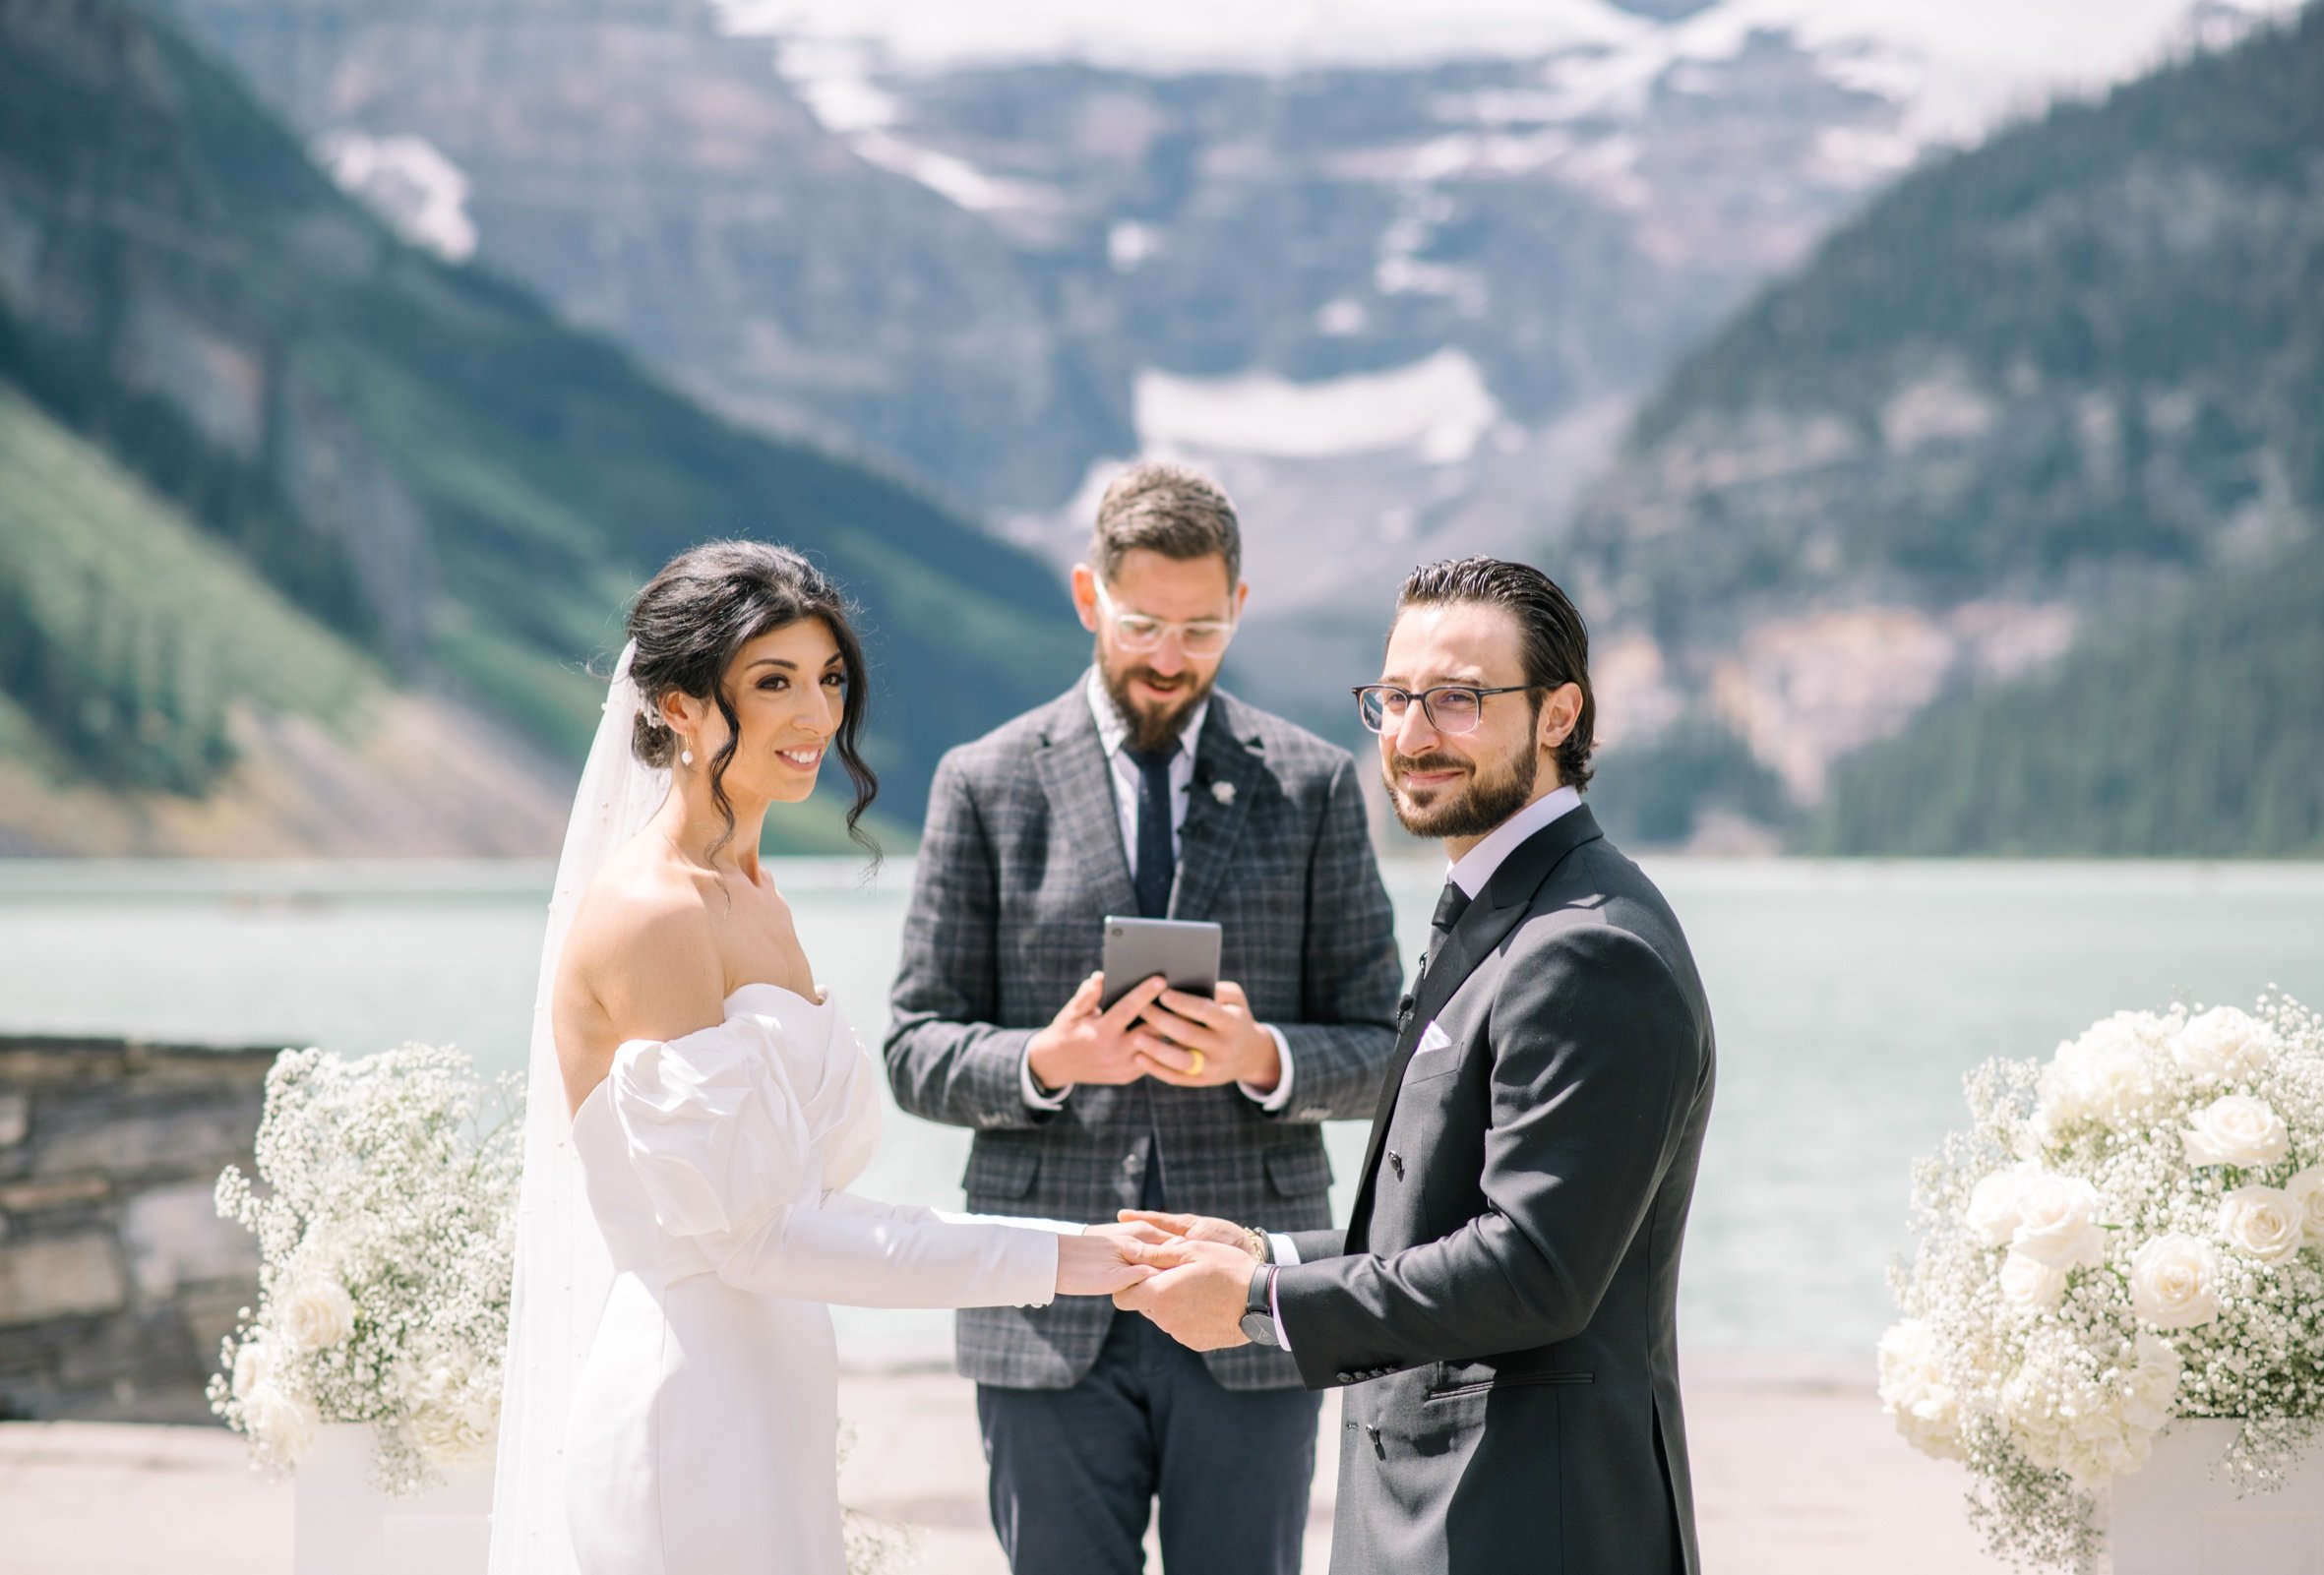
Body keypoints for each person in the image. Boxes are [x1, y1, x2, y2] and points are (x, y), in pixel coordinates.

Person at [487, 541, 1151, 1575]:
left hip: (776, 1399)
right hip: (689, 1411)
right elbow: (754, 1238)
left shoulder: (753, 892)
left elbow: (809, 1194)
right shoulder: (656, 913)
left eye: (829, 678)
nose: (817, 716)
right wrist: (1062, 1256)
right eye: (773, 682)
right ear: (677, 704)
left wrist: (1072, 1245)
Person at [1115, 557, 1718, 1575]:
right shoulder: (1509, 908)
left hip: (1529, 1521)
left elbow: (1533, 1269)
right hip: (1449, 1508)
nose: (1409, 733)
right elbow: (1435, 1219)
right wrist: (1269, 1250)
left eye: (1457, 699)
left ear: (1559, 714)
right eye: (1392, 697)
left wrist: (1259, 1300)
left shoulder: (1588, 943)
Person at [884, 463, 1401, 1575]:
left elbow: (1386, 1051)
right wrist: (1046, 1060)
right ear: (1088, 596)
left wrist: (1263, 1056)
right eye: (1144, 624)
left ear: (1241, 608)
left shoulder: (1313, 785)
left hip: (1254, 1302)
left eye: (1202, 628)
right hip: (1040, 1298)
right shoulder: (983, 782)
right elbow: (913, 1045)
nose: (1170, 655)